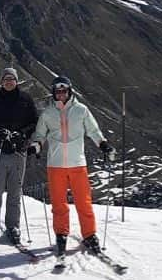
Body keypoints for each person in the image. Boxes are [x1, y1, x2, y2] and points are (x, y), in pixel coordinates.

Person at [28, 75, 114, 257]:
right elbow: (40, 135)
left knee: (84, 202)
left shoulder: (81, 110)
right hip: (55, 165)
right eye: (57, 91)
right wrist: (36, 146)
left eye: (63, 91)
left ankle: (89, 235)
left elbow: (93, 130)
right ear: (53, 93)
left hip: (77, 164)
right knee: (59, 204)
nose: (60, 94)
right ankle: (61, 234)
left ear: (69, 91)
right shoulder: (47, 113)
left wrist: (103, 143)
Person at [0, 67, 37, 249]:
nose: (9, 82)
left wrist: (23, 134)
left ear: (17, 80)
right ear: (1, 81)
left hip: (19, 151)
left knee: (15, 193)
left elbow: (34, 121)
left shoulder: (26, 99)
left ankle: (13, 226)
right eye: (5, 79)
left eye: (12, 79)